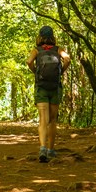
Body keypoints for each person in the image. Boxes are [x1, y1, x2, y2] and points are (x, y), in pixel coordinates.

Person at [26, 25, 71, 163]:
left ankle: (42, 149)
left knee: (43, 120)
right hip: (55, 87)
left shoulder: (37, 50)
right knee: (52, 121)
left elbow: (29, 62)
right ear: (52, 37)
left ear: (40, 37)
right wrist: (60, 72)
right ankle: (51, 150)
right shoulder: (58, 49)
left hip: (41, 87)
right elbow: (67, 59)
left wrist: (36, 72)